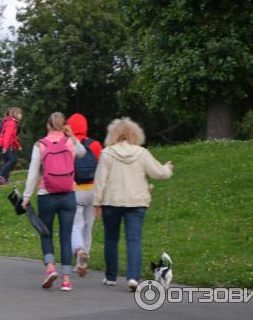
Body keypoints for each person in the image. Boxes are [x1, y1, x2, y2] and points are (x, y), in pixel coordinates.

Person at [93, 117, 174, 291]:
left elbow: (100, 180)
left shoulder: (107, 153)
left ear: (113, 134)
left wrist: (96, 202)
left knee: (111, 238)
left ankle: (111, 276)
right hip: (137, 202)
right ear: (135, 134)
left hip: (111, 202)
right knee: (134, 240)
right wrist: (167, 167)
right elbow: (159, 173)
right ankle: (133, 278)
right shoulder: (141, 153)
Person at [22, 112, 85, 292]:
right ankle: (66, 280)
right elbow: (82, 153)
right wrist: (71, 135)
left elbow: (33, 173)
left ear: (48, 125)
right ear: (64, 126)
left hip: (46, 194)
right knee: (66, 236)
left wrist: (26, 197)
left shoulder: (40, 145)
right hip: (68, 194)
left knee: (46, 233)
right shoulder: (70, 142)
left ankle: (50, 268)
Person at [66, 113, 103, 277]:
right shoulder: (95, 145)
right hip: (93, 190)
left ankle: (79, 256)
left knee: (76, 226)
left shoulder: (69, 142)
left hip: (76, 190)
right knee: (89, 226)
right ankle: (86, 253)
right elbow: (102, 170)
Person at [0, 107, 23, 185]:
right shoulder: (11, 123)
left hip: (3, 144)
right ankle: (0, 176)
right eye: (20, 113)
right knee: (12, 160)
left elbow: (13, 137)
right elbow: (7, 136)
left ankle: (4, 179)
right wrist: (5, 147)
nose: (21, 115)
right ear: (16, 114)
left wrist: (18, 146)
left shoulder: (11, 122)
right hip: (3, 144)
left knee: (11, 160)